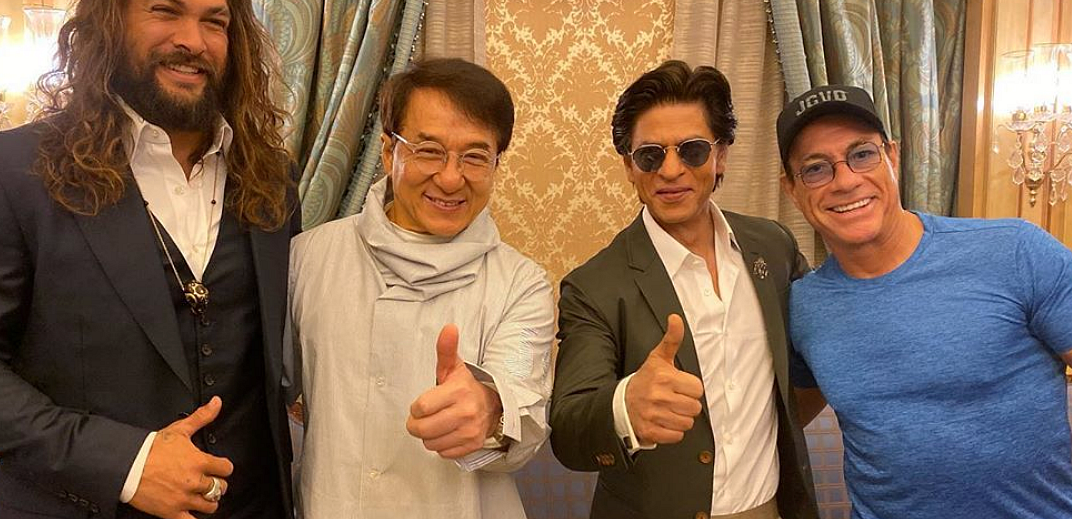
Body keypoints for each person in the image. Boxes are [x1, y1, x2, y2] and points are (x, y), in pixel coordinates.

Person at [0, 0, 300, 519]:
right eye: (165, 11)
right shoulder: (16, 171)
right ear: (109, 23)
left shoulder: (273, 177)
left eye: (215, 22)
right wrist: (125, 463)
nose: (193, 40)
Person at [778, 84, 1072, 519]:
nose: (846, 181)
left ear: (892, 156)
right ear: (791, 189)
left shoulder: (1014, 251)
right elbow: (781, 421)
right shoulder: (804, 306)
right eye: (816, 169)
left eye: (862, 154)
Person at [550, 60, 819, 519]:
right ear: (629, 166)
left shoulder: (773, 247)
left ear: (721, 156)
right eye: (650, 155)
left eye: (692, 150)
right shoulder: (593, 286)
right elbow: (569, 432)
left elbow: (815, 354)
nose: (670, 170)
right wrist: (625, 408)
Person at [288, 58, 554, 518]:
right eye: (429, 151)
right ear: (389, 151)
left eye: (475, 157)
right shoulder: (308, 258)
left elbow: (522, 401)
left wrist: (490, 409)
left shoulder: (521, 283)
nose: (451, 178)